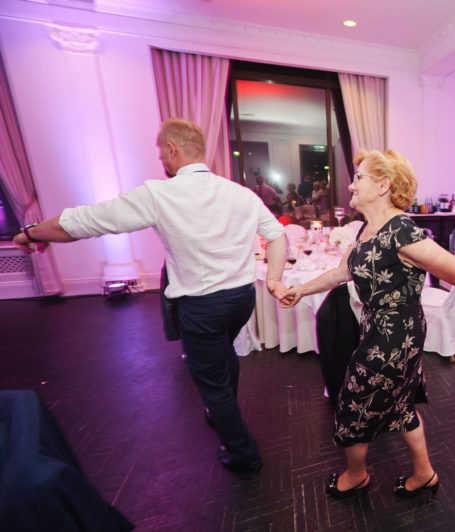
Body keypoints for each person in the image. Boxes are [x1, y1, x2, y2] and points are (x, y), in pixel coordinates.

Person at [13, 118, 289, 474]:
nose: (161, 160)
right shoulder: (240, 193)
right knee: (223, 352)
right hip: (241, 299)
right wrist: (274, 279)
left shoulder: (160, 194)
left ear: (172, 149)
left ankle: (242, 453)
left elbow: (83, 221)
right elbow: (277, 235)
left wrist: (31, 233)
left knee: (210, 379)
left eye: (161, 153)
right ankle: (221, 410)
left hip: (202, 305)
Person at [278, 149, 455, 499]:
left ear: (383, 186)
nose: (351, 186)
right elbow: (342, 271)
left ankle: (356, 477)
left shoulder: (402, 231)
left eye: (359, 178)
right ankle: (424, 474)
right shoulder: (369, 228)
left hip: (394, 338)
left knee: (353, 403)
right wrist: (300, 290)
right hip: (378, 329)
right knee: (400, 404)